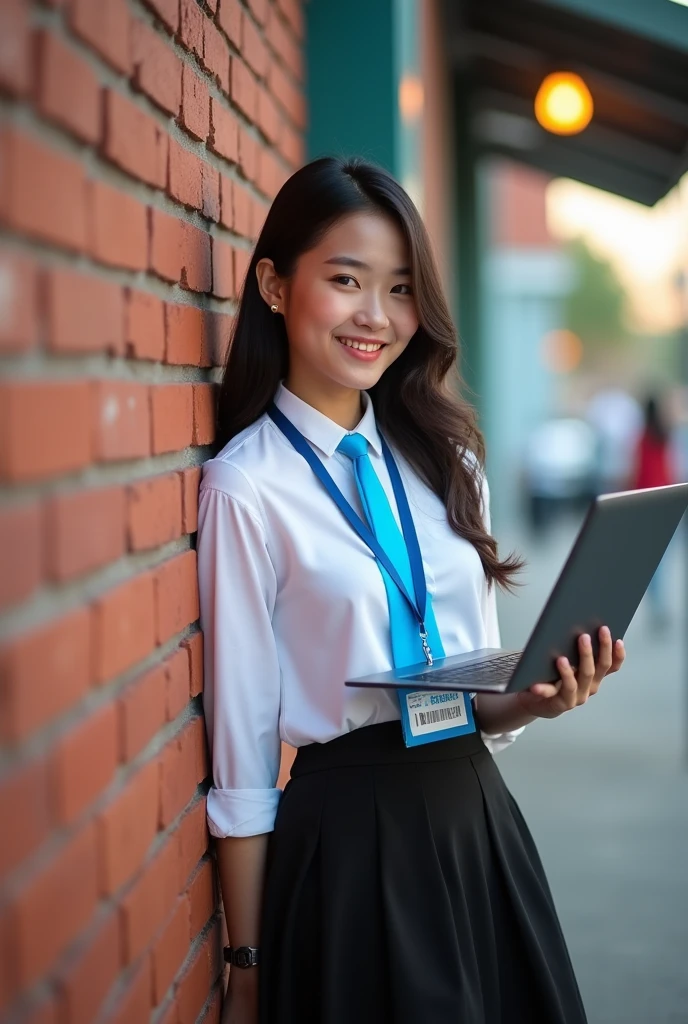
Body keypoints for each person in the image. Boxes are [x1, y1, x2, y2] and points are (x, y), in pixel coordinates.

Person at [197, 157, 626, 1024]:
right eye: (346, 280)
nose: (376, 317)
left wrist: (536, 700)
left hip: (476, 821)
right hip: (348, 842)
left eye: (399, 290)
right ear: (276, 286)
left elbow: (471, 691)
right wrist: (247, 963)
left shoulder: (447, 460)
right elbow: (241, 754)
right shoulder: (246, 487)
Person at [632, 394, 676, 627]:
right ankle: (660, 605)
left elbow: (637, 472)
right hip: (666, 501)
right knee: (663, 559)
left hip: (646, 503)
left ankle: (656, 605)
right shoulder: (665, 435)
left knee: (651, 560)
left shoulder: (642, 437)